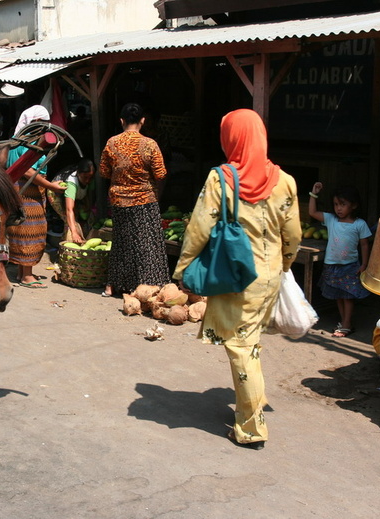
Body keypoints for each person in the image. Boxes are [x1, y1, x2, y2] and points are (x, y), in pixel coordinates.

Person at [173, 108, 302, 450]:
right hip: (271, 275)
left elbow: (199, 227)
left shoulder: (222, 179)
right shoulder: (285, 181)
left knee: (241, 347)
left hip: (236, 278)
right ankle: (254, 400)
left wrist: (184, 270)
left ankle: (251, 426)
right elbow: (293, 236)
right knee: (251, 342)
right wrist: (283, 265)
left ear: (230, 138)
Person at [99, 102, 170, 297]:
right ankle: (148, 287)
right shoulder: (150, 144)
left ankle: (111, 286)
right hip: (144, 200)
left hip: (119, 201)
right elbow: (161, 173)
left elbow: (104, 172)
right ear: (143, 121)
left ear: (121, 121)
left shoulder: (111, 143)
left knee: (121, 243)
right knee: (147, 244)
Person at [5, 105, 66, 289]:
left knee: (24, 230)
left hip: (25, 191)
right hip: (26, 192)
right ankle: (26, 276)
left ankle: (23, 273)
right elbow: (27, 170)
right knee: (31, 231)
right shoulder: (24, 142)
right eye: (42, 123)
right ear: (35, 121)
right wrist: (50, 186)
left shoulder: (20, 140)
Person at [308, 182, 371, 337]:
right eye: (336, 204)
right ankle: (345, 323)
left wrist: (364, 264)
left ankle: (347, 324)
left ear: (354, 205)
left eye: (343, 204)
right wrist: (313, 194)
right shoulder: (331, 219)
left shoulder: (359, 224)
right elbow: (312, 212)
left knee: (348, 296)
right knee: (338, 295)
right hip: (331, 265)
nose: (339, 208)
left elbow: (364, 245)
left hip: (350, 266)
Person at [54, 158, 96, 243]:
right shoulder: (72, 183)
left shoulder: (90, 179)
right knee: (69, 221)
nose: (88, 180)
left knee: (87, 216)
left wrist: (88, 208)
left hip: (77, 196)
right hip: (57, 193)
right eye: (85, 177)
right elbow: (69, 210)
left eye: (90, 177)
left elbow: (89, 195)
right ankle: (66, 246)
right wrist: (74, 232)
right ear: (78, 173)